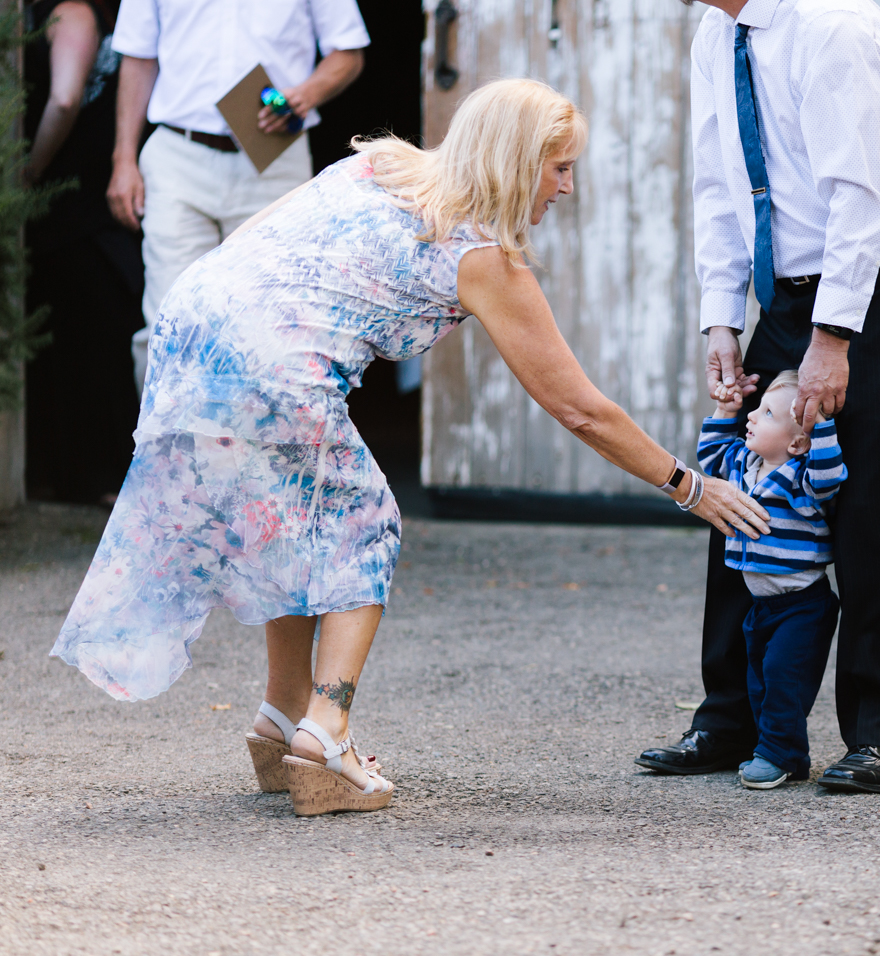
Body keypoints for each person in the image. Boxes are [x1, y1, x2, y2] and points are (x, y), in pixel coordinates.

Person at [51, 78, 772, 817]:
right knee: (366, 524)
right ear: (517, 161)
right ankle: (325, 736)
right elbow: (579, 408)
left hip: (198, 318)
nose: (567, 186)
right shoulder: (482, 254)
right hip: (270, 360)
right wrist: (689, 485)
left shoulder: (382, 165)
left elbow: (258, 240)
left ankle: (280, 718)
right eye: (558, 167)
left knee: (290, 522)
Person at [635, 0, 880, 793]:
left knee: (866, 502)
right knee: (737, 485)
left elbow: (858, 195)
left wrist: (833, 337)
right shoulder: (720, 32)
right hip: (785, 293)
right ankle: (730, 719)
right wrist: (722, 319)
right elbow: (718, 185)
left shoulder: (834, 25)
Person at [105, 0, 370, 392]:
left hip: (274, 157)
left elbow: (347, 52)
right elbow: (139, 59)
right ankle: (165, 450)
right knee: (169, 320)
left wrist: (306, 94)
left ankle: (258, 451)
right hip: (178, 154)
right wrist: (123, 158)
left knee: (277, 325)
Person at [696, 370, 844, 789]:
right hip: (761, 606)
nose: (753, 417)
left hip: (802, 606)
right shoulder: (744, 464)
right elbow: (709, 458)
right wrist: (725, 408)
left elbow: (830, 474)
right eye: (757, 408)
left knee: (783, 678)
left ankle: (775, 754)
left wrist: (824, 421)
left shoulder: (802, 478)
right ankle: (788, 757)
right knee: (759, 681)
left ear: (797, 441)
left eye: (767, 413)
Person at [22, 0, 143, 505]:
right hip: (85, 208)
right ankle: (88, 479)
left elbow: (66, 98)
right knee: (93, 340)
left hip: (73, 204)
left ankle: (90, 481)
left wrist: (26, 172)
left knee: (85, 343)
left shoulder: (72, 11)